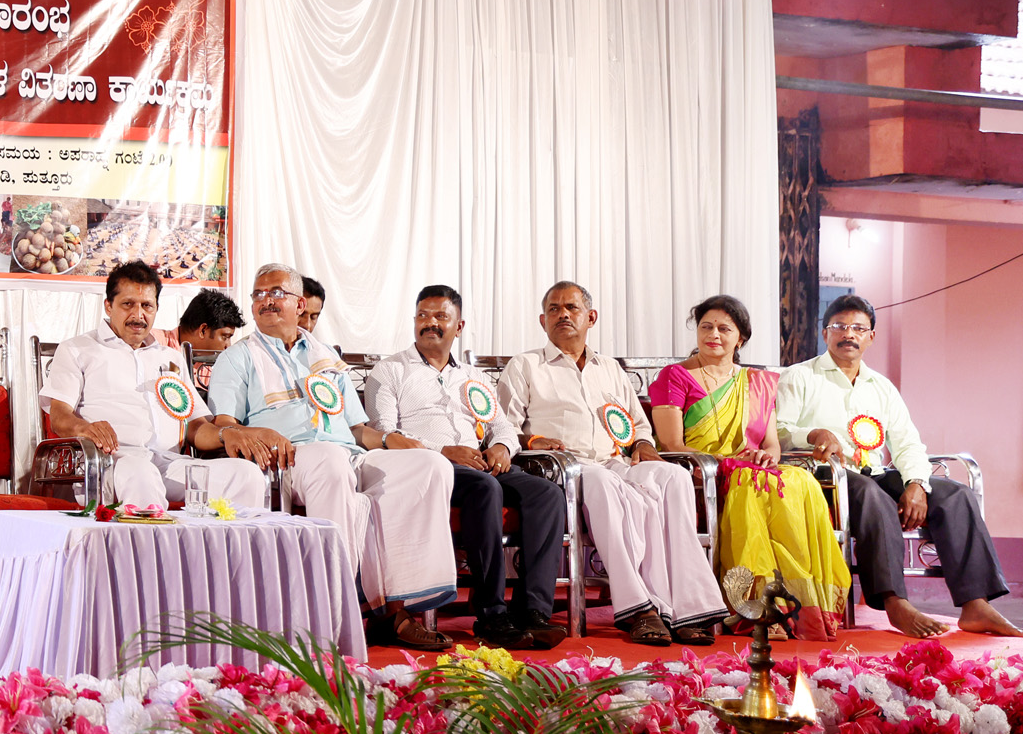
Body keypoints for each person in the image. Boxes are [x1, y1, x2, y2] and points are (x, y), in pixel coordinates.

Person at [206, 263, 457, 650]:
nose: (265, 301)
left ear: (299, 304)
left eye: (276, 293)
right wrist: (255, 435)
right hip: (287, 459)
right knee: (330, 460)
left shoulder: (325, 356)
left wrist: (390, 438)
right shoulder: (238, 357)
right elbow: (225, 424)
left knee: (430, 466)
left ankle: (396, 607)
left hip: (346, 452)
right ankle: (333, 611)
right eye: (258, 294)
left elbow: (357, 430)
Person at [779, 294, 1023, 638]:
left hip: (874, 474)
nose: (849, 334)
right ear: (824, 333)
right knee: (873, 496)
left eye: (858, 328)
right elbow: (779, 431)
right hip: (824, 477)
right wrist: (813, 433)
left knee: (956, 495)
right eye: (839, 326)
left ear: (870, 336)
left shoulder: (882, 388)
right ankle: (894, 602)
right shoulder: (799, 377)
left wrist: (917, 484)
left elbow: (907, 443)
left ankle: (975, 604)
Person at [498, 281, 726, 646]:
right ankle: (639, 609)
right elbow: (503, 428)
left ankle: (686, 608)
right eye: (554, 309)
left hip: (614, 461)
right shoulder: (526, 366)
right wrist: (531, 440)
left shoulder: (610, 369)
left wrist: (644, 445)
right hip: (562, 468)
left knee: (673, 477)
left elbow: (639, 426)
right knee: (602, 483)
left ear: (591, 317)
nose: (563, 315)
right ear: (543, 320)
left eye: (571, 308)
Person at [364, 285, 568, 650]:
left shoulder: (474, 377)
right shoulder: (390, 370)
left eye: (441, 316)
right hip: (428, 469)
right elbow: (385, 433)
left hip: (480, 464)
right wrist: (444, 451)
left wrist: (502, 448)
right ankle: (492, 616)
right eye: (423, 315)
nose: (430, 323)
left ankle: (533, 612)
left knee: (547, 494)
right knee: (484, 489)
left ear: (459, 327)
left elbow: (502, 426)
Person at [648, 294, 848, 639]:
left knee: (800, 481)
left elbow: (770, 443)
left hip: (751, 469)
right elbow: (671, 445)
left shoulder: (757, 382)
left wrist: (767, 456)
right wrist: (727, 461)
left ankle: (795, 606)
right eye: (706, 327)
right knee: (749, 484)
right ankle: (754, 607)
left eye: (724, 328)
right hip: (702, 472)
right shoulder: (675, 376)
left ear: (740, 338)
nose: (713, 334)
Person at [45, 261, 267, 512]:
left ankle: (221, 540)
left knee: (246, 475)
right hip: (112, 462)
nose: (138, 315)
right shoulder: (77, 349)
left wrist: (225, 434)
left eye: (147, 306)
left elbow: (196, 426)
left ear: (156, 309)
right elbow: (59, 415)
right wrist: (85, 428)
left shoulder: (170, 358)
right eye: (128, 304)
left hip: (169, 464)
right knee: (141, 473)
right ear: (108, 306)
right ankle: (149, 539)